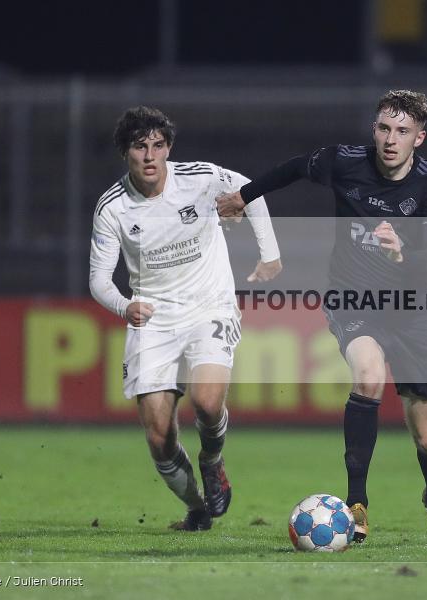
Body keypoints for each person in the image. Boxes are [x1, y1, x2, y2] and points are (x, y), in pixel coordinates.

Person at [217, 90, 427, 546]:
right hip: (354, 299)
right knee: (368, 375)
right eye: (384, 128)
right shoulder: (345, 162)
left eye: (402, 131)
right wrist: (243, 197)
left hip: (412, 312)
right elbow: (294, 168)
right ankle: (356, 503)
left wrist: (402, 252)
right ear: (374, 129)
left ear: (419, 138)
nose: (391, 139)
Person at [90, 106, 282, 531]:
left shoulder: (200, 178)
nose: (150, 156)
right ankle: (198, 509)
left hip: (208, 305)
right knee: (159, 437)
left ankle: (212, 459)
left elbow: (250, 191)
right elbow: (99, 280)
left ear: (168, 147)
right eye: (140, 147)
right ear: (125, 152)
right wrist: (124, 305)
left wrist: (269, 254)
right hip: (153, 319)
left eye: (158, 145)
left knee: (208, 403)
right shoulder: (112, 208)